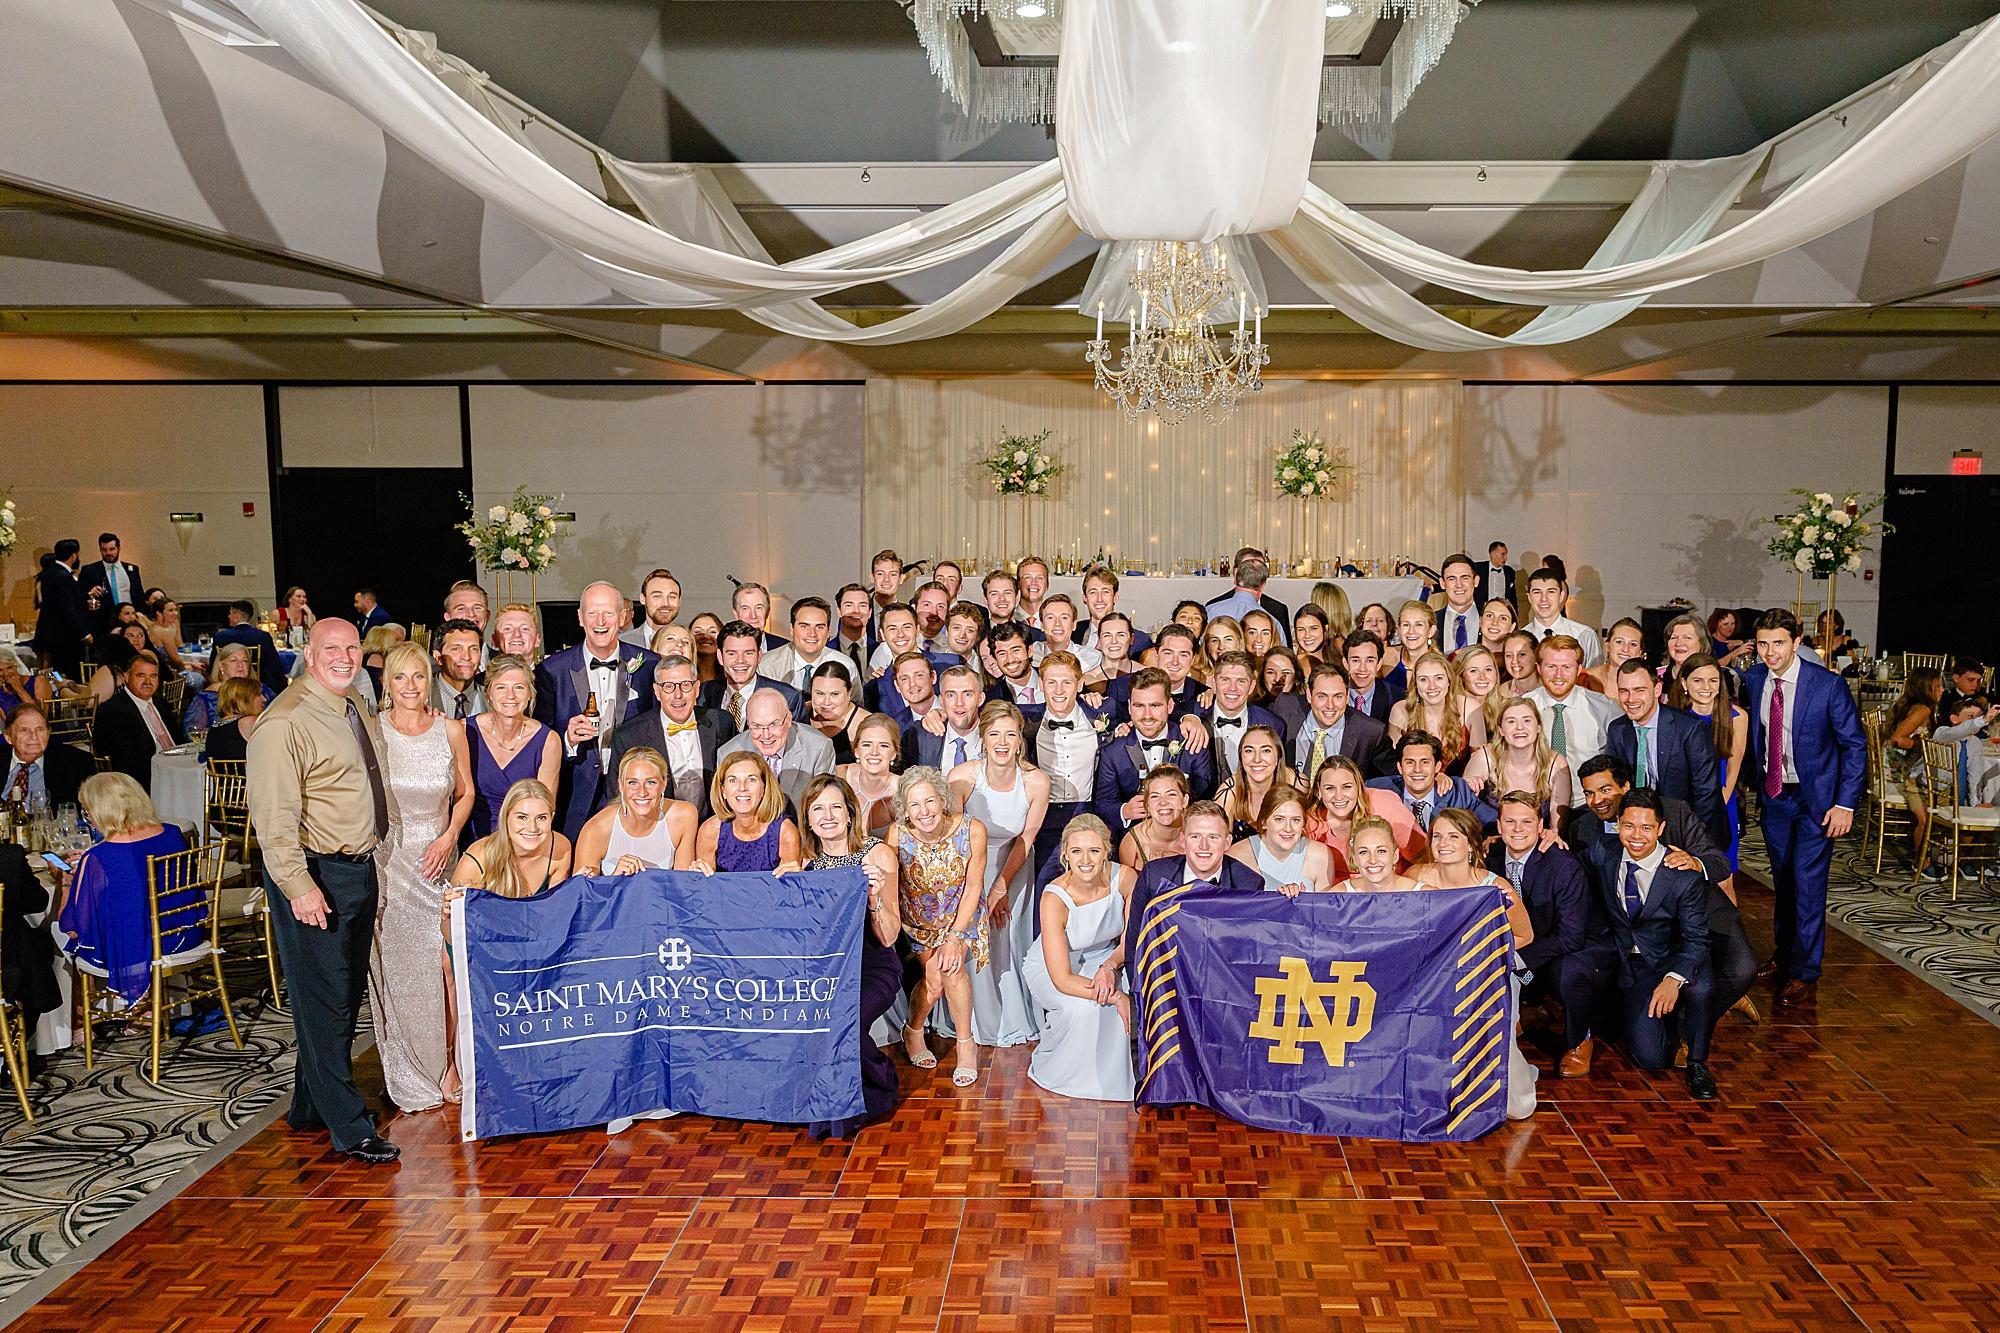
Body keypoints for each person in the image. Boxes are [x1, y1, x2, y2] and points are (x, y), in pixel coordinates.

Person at [246, 618, 399, 1164]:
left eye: (352, 647)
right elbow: (273, 819)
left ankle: (310, 1104)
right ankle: (350, 1128)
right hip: (315, 874)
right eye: (331, 648)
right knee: (326, 1002)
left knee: (341, 994)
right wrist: (299, 887)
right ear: (308, 655)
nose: (344, 657)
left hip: (356, 867)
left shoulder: (350, 701)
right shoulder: (284, 721)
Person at [366, 641, 473, 1114]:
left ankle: (450, 1063)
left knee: (444, 967)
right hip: (390, 865)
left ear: (430, 681)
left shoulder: (451, 729)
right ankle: (410, 1066)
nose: (410, 686)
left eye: (419, 676)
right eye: (400, 677)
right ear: (386, 684)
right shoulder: (373, 731)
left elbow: (466, 793)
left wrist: (449, 836)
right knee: (401, 971)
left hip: (437, 862)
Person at [1741, 609, 1866, 1007]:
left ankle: (1805, 973)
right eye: (1763, 644)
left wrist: (1844, 803)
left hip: (1818, 801)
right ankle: (1785, 955)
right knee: (1784, 881)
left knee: (1808, 883)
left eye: (1779, 643)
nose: (1770, 652)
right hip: (1775, 795)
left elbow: (1854, 746)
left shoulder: (1827, 685)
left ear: (1796, 642)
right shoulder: (1754, 679)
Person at [1579, 789, 1719, 1098]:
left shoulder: (1682, 874)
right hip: (1635, 962)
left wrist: (1673, 979)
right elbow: (1573, 864)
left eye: (1646, 827)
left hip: (1675, 957)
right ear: (1618, 824)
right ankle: (1664, 1025)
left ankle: (1697, 1061)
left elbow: (1697, 939)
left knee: (1702, 988)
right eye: (1629, 826)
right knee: (1650, 1058)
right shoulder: (1604, 852)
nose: (1636, 836)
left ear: (1661, 828)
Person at [442, 778, 573, 1103]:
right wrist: (448, 914)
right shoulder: (479, 857)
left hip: (529, 944)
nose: (532, 828)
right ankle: (451, 1064)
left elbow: (555, 914)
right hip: (482, 952)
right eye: (522, 817)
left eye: (541, 817)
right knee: (449, 968)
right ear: (506, 818)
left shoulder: (559, 849)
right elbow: (451, 936)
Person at [1407, 807, 1538, 1119]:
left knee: (1516, 1107)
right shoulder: (1415, 877)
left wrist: (1479, 953)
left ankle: (1515, 1082)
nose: (1444, 843)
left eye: (1454, 836)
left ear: (1471, 844)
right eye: (1437, 836)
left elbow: (1525, 935)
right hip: (1433, 975)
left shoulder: (1496, 888)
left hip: (1487, 973)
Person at [799, 773, 905, 1136]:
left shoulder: (876, 855)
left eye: (835, 807)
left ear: (849, 814)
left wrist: (874, 899)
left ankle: (878, 1084)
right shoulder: (805, 864)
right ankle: (827, 1099)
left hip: (872, 966)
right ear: (808, 819)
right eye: (818, 809)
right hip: (827, 972)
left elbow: (889, 937)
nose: (827, 816)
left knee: (844, 1022)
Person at [1488, 791, 1613, 1078]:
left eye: (1526, 822)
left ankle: (1579, 1039)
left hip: (1575, 948)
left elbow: (1571, 936)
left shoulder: (1563, 865)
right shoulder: (1490, 856)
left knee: (1567, 974)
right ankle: (1532, 1011)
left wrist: (1514, 956)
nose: (1518, 829)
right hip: (1529, 944)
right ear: (1498, 825)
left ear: (1540, 825)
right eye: (1510, 821)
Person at [945, 701, 1048, 1048]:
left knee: (1008, 937)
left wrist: (1001, 886)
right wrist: (979, 889)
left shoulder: (1036, 781)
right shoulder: (961, 778)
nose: (1002, 742)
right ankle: (971, 1018)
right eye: (994, 734)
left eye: (1010, 735)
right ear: (983, 738)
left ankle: (1012, 1015)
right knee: (976, 936)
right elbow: (956, 838)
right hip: (970, 864)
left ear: (1020, 740)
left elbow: (1027, 838)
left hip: (1015, 866)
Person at [533, 581, 662, 838]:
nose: (600, 621)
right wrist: (568, 740)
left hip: (633, 796)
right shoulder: (552, 670)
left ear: (623, 617)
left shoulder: (649, 664)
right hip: (574, 794)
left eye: (608, 613)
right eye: (592, 612)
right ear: (580, 617)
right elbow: (540, 737)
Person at [57, 773, 194, 1011]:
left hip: (142, 950)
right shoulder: (172, 833)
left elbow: (72, 925)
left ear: (104, 811)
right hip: (184, 933)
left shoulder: (100, 858)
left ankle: (80, 1019)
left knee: (67, 938)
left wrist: (67, 881)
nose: (89, 820)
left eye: (87, 812)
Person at [889, 765, 988, 1087]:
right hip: (920, 922)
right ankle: (913, 1030)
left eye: (929, 801)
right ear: (905, 810)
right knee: (933, 982)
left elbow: (973, 888)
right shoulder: (897, 835)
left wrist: (955, 937)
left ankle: (965, 1045)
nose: (924, 811)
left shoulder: (973, 830)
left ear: (942, 800)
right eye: (914, 804)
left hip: (962, 915)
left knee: (950, 971)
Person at [1024, 814, 1134, 1101]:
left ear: (1106, 851)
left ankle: (1114, 1078)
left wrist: (1110, 966)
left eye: (1094, 851)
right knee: (1082, 1008)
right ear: (1065, 855)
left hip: (1108, 956)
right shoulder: (1054, 898)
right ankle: (1059, 1071)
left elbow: (1130, 939)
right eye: (1076, 851)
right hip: (1054, 965)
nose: (1085, 860)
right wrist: (1115, 996)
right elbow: (1062, 979)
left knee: (1126, 995)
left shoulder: (1125, 878)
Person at [1125, 801, 1266, 969]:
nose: (1203, 846)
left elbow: (1249, 955)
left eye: (1213, 837)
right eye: (1195, 836)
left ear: (1227, 842)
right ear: (1183, 840)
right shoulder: (1153, 876)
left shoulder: (1249, 885)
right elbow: (1135, 945)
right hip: (1166, 975)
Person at [1607, 658, 1725, 846]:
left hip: (1686, 829)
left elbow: (1706, 793)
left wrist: (1691, 842)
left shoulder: (1690, 729)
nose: (1631, 699)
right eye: (1624, 691)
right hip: (1638, 832)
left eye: (1639, 690)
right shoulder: (1617, 730)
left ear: (1657, 690)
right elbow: (1616, 784)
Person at [609, 654, 733, 822]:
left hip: (711, 826)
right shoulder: (629, 736)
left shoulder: (722, 723)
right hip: (657, 827)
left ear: (697, 688)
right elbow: (616, 798)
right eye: (668, 686)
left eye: (686, 685)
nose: (678, 695)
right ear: (657, 692)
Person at [1025, 652, 1110, 886]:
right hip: (1044, 819)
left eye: (1067, 682)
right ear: (1041, 684)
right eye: (1051, 682)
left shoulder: (1103, 714)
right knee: (1044, 885)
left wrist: (1189, 718)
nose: (1059, 690)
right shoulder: (1026, 720)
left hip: (1088, 815)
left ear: (1080, 684)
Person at [1095, 670, 1215, 835]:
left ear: (1170, 705)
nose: (1147, 715)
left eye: (1155, 706)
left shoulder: (1192, 741)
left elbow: (1205, 797)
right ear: (1129, 707)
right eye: (1139, 706)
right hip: (1133, 836)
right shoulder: (1113, 750)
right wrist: (1125, 811)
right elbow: (1103, 802)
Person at [465, 654, 561, 843]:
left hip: (525, 840)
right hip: (472, 840)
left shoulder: (548, 741)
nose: (510, 696)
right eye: (501, 687)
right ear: (488, 693)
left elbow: (545, 809)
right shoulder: (465, 731)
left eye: (519, 687)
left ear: (530, 693)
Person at [1671, 653, 1748, 874]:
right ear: (1684, 683)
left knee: (1722, 873)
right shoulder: (1673, 716)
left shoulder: (1737, 716)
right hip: (1684, 806)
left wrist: (1717, 806)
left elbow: (1734, 765)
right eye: (1698, 680)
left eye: (1713, 680)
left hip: (1722, 801)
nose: (1706, 687)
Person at [573, 746, 698, 875]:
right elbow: (580, 887)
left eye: (650, 782)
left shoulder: (683, 816)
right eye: (633, 783)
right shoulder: (596, 829)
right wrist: (615, 878)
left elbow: (683, 882)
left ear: (664, 783)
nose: (642, 792)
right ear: (621, 785)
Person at [718, 688, 836, 813]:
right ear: (748, 723)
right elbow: (726, 811)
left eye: (774, 724)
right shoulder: (728, 754)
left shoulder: (818, 748)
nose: (766, 735)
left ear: (788, 719)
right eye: (757, 726)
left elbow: (824, 807)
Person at [1305, 755, 1426, 874]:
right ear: (1319, 790)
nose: (1339, 796)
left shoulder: (1386, 806)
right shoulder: (1309, 824)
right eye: (1330, 788)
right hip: (1334, 887)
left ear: (1358, 786)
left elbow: (1422, 857)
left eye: (1346, 787)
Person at [1462, 697, 1572, 828]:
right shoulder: (1484, 758)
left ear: (1538, 727)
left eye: (1527, 720)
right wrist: (1470, 789)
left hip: (1537, 839)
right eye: (1511, 721)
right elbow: (1462, 815)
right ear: (1501, 730)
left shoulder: (1556, 763)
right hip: (1487, 837)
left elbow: (1556, 829)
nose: (1520, 727)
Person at [692, 751, 802, 875]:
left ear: (764, 788)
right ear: (723, 791)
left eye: (751, 779)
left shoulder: (785, 832)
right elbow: (705, 884)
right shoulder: (710, 830)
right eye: (733, 780)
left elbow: (789, 884)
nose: (742, 788)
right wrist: (696, 875)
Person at [92, 651, 185, 792]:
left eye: (153, 676)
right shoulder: (113, 711)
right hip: (143, 783)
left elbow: (178, 740)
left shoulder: (161, 704)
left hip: (174, 771)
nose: (148, 682)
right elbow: (127, 762)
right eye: (141, 676)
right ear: (126, 677)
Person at [1366, 730, 1497, 828]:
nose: (1417, 769)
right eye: (1410, 762)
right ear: (1400, 767)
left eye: (1425, 762)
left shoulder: (1458, 793)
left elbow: (1495, 823)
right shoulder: (1375, 790)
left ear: (1437, 767)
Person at [1525, 635, 1620, 768]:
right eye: (1551, 667)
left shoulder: (1606, 709)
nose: (1558, 675)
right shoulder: (1522, 707)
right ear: (1539, 668)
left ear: (1579, 670)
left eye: (1566, 667)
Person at [1880, 667, 1943, 865]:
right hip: (1899, 773)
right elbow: (1897, 739)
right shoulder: (1922, 710)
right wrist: (1924, 746)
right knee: (1936, 806)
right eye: (1938, 686)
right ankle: (1923, 860)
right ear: (1926, 688)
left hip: (1900, 768)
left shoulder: (1911, 706)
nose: (1943, 690)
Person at [1292, 664, 1391, 783]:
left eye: (1338, 697)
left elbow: (1389, 780)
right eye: (1322, 696)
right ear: (1309, 695)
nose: (1330, 705)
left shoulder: (1371, 732)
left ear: (1347, 696)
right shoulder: (1286, 711)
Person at [1387, 650, 1486, 770]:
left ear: (1449, 681)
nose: (1432, 686)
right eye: (1423, 679)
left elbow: (1481, 762)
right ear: (1416, 684)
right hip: (1414, 779)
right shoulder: (1400, 710)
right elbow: (1394, 765)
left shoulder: (1470, 708)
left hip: (1462, 780)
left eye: (1438, 678)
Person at [1231, 787, 1334, 895]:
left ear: (1304, 824)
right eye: (1279, 819)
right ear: (1263, 822)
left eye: (1295, 820)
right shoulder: (1237, 856)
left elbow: (1325, 905)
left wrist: (1303, 901)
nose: (1288, 828)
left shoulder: (1320, 855)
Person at [1205, 652, 1287, 783]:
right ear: (1214, 684)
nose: (1232, 688)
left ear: (1251, 687)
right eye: (1225, 680)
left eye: (1241, 681)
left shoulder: (1273, 724)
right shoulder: (1194, 716)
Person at [702, 619, 804, 723]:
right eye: (732, 653)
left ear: (759, 656)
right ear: (720, 656)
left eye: (748, 653)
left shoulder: (788, 697)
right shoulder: (703, 693)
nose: (740, 660)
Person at [0, 703, 91, 811]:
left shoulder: (75, 762)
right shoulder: (2, 758)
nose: (34, 736)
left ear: (48, 734)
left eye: (40, 729)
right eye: (24, 730)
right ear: (8, 737)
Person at [1213, 724, 1297, 842]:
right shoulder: (1228, 791)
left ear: (1278, 757)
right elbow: (1216, 841)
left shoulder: (1295, 782)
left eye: (1266, 751)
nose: (1257, 759)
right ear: (1241, 757)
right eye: (1249, 751)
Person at [32, 540, 92, 681]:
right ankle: (63, 690)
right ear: (74, 555)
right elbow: (67, 609)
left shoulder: (49, 573)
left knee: (56, 671)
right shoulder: (63, 576)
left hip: (53, 633)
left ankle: (55, 687)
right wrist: (84, 633)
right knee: (67, 674)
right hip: (65, 637)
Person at [764, 598, 848, 695]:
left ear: (828, 631)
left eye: (819, 627)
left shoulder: (846, 665)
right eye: (804, 626)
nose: (812, 634)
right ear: (792, 628)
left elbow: (855, 703)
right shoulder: (768, 665)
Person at [1329, 816, 1434, 894]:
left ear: (1395, 856)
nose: (1373, 860)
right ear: (1355, 859)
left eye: (1381, 851)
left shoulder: (1426, 896)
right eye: (1363, 852)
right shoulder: (1338, 897)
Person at [1522, 568, 1603, 667]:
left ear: (1561, 596)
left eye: (1551, 592)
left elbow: (1595, 674)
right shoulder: (1521, 639)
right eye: (1537, 592)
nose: (1544, 599)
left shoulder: (1585, 635)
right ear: (1529, 597)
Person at [837, 712, 902, 836]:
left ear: (894, 753)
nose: (874, 752)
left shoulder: (903, 790)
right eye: (867, 745)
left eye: (883, 746)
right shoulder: (841, 775)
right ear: (856, 750)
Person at [1204, 553, 1288, 642]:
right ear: (1263, 586)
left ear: (1235, 579)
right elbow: (1281, 649)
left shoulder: (1210, 611)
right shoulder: (1272, 622)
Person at [1118, 765, 1188, 872]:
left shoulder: (1201, 832)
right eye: (1155, 796)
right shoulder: (1132, 842)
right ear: (1147, 805)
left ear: (1185, 800)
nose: (1163, 802)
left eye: (1171, 794)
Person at [78, 533, 143, 640]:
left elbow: (139, 595)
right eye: (104, 550)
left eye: (112, 549)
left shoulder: (132, 570)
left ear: (118, 548)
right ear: (100, 550)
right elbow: (81, 597)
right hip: (102, 622)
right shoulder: (90, 571)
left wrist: (139, 614)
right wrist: (91, 595)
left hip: (129, 621)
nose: (108, 553)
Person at [212, 600, 287, 694]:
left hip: (225, 687)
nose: (228, 616)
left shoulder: (221, 636)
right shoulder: (262, 636)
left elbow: (213, 663)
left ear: (236, 616)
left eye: (230, 613)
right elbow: (274, 665)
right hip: (260, 682)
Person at [805, 662, 868, 765]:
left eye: (835, 694)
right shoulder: (799, 712)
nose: (826, 702)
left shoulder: (866, 724)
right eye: (820, 693)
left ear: (849, 693)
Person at [429, 619, 486, 720]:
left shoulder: (492, 697)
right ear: (438, 657)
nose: (466, 657)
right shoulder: (421, 695)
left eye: (474, 649)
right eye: (456, 649)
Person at [201, 678, 266, 765]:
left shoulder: (214, 729)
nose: (264, 699)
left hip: (221, 774)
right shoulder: (249, 722)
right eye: (258, 695)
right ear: (243, 699)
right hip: (248, 773)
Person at [619, 568, 682, 650]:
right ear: (643, 599)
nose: (665, 603)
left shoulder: (690, 644)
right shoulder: (621, 642)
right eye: (657, 596)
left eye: (672, 597)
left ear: (679, 601)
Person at [1434, 553, 1483, 655]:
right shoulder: (1432, 621)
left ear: (1476, 581)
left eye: (1465, 578)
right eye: (1452, 579)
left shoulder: (1490, 621)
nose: (1459, 585)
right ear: (1442, 583)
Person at [1341, 631, 1396, 722]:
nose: (1362, 668)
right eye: (1356, 660)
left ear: (1379, 664)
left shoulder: (1395, 697)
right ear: (1346, 663)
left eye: (1369, 661)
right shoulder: (1332, 695)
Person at [1456, 644, 1507, 738]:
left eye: (1488, 669)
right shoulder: (1451, 707)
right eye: (1473, 671)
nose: (1482, 677)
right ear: (1461, 676)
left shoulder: (1506, 707)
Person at [732, 581, 788, 653]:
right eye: (745, 608)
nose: (753, 616)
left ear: (767, 612)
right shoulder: (724, 649)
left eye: (758, 608)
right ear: (736, 614)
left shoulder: (786, 649)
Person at [358, 625, 405, 708]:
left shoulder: (363, 656)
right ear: (384, 642)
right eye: (395, 640)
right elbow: (381, 689)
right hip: (375, 703)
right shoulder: (376, 659)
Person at [1472, 541, 1516, 610]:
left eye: (1506, 554)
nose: (1505, 558)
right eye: (1503, 554)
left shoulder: (1509, 571)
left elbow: (1513, 596)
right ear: (1492, 554)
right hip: (1481, 610)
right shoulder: (1478, 568)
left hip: (1502, 610)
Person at [1500, 629, 1542, 698]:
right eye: (1509, 655)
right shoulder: (1498, 694)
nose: (1514, 661)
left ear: (1536, 656)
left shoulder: (1551, 690)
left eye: (1522, 654)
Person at [1288, 606, 1330, 671]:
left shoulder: (1341, 658)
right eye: (1301, 629)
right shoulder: (1292, 665)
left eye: (1313, 628)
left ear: (1325, 629)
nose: (1307, 636)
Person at [687, 612, 724, 684]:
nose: (705, 636)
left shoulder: (731, 674)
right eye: (698, 632)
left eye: (712, 632)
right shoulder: (681, 673)